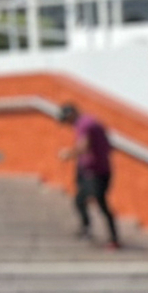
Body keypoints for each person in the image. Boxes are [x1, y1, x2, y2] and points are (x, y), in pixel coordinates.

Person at [58, 102, 121, 247]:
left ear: (71, 115)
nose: (67, 124)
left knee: (99, 203)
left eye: (66, 120)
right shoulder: (90, 122)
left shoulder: (84, 124)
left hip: (96, 172)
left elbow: (84, 146)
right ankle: (87, 230)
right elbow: (108, 146)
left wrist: (69, 153)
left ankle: (113, 238)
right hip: (91, 169)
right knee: (81, 200)